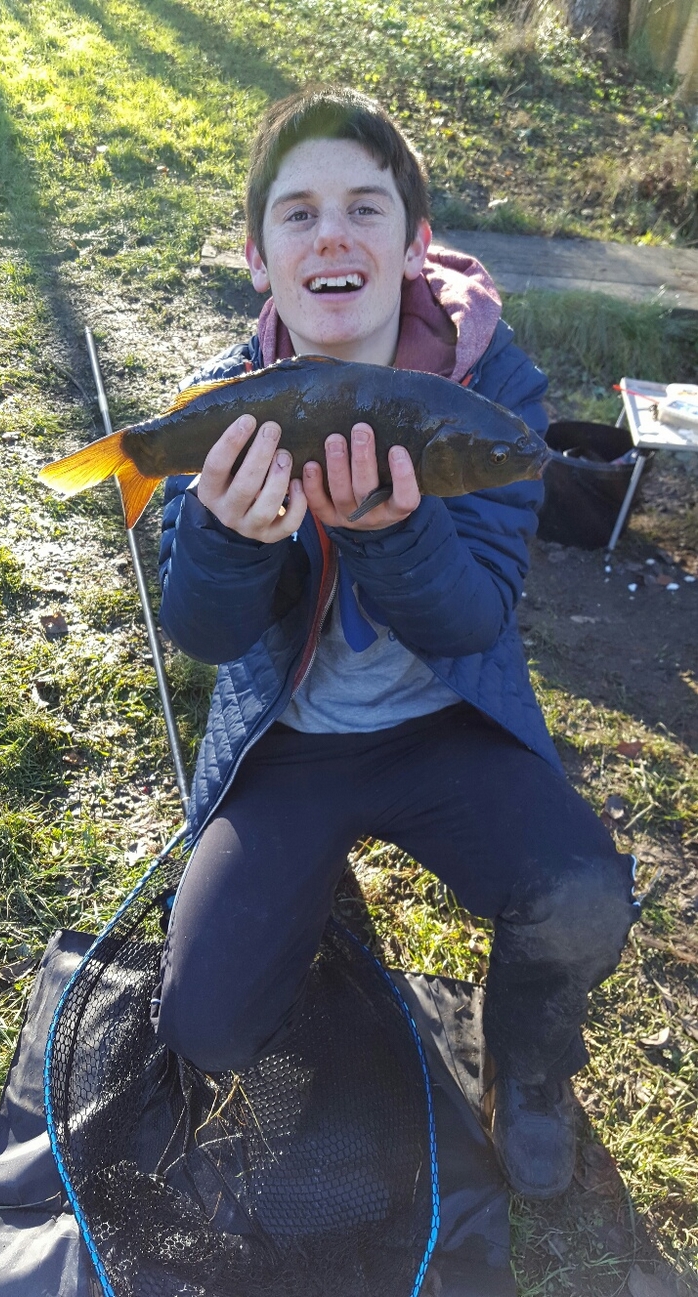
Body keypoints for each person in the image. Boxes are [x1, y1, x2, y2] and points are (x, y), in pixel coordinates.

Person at [152, 85, 639, 1200]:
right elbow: (202, 632)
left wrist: (391, 530)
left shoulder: (490, 391)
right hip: (291, 742)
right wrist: (226, 538)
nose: (333, 233)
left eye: (366, 208)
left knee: (583, 893)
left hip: (447, 725)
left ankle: (527, 1065)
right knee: (210, 1026)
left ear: (415, 242)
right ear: (258, 254)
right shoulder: (226, 402)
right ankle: (303, 890)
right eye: (299, 212)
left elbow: (474, 620)